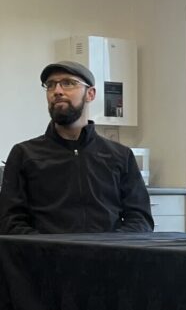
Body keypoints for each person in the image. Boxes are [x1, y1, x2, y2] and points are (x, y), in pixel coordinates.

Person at [0, 61, 153, 234]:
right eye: (50, 85)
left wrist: (110, 245)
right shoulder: (24, 154)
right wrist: (48, 247)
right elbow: (10, 222)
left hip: (108, 251)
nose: (57, 91)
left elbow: (140, 219)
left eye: (68, 83)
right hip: (45, 251)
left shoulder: (120, 155)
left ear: (90, 94)